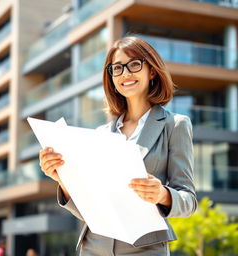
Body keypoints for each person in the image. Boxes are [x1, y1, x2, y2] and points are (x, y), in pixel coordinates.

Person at [39, 36, 198, 256]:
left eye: (134, 64)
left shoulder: (176, 125)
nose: (125, 73)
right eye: (117, 68)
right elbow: (89, 209)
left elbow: (189, 200)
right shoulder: (100, 135)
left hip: (146, 248)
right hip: (94, 246)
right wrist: (63, 180)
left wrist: (162, 194)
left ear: (151, 71)